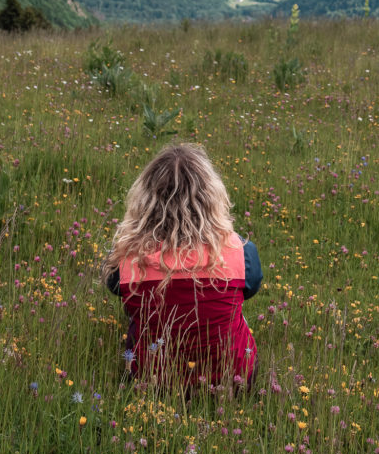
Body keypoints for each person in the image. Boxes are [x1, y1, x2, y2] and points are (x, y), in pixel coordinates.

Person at [102, 143, 262, 387]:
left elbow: (115, 288)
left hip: (152, 379)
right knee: (236, 307)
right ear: (211, 197)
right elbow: (251, 288)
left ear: (145, 201)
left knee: (134, 312)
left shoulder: (126, 257)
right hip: (231, 379)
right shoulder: (240, 252)